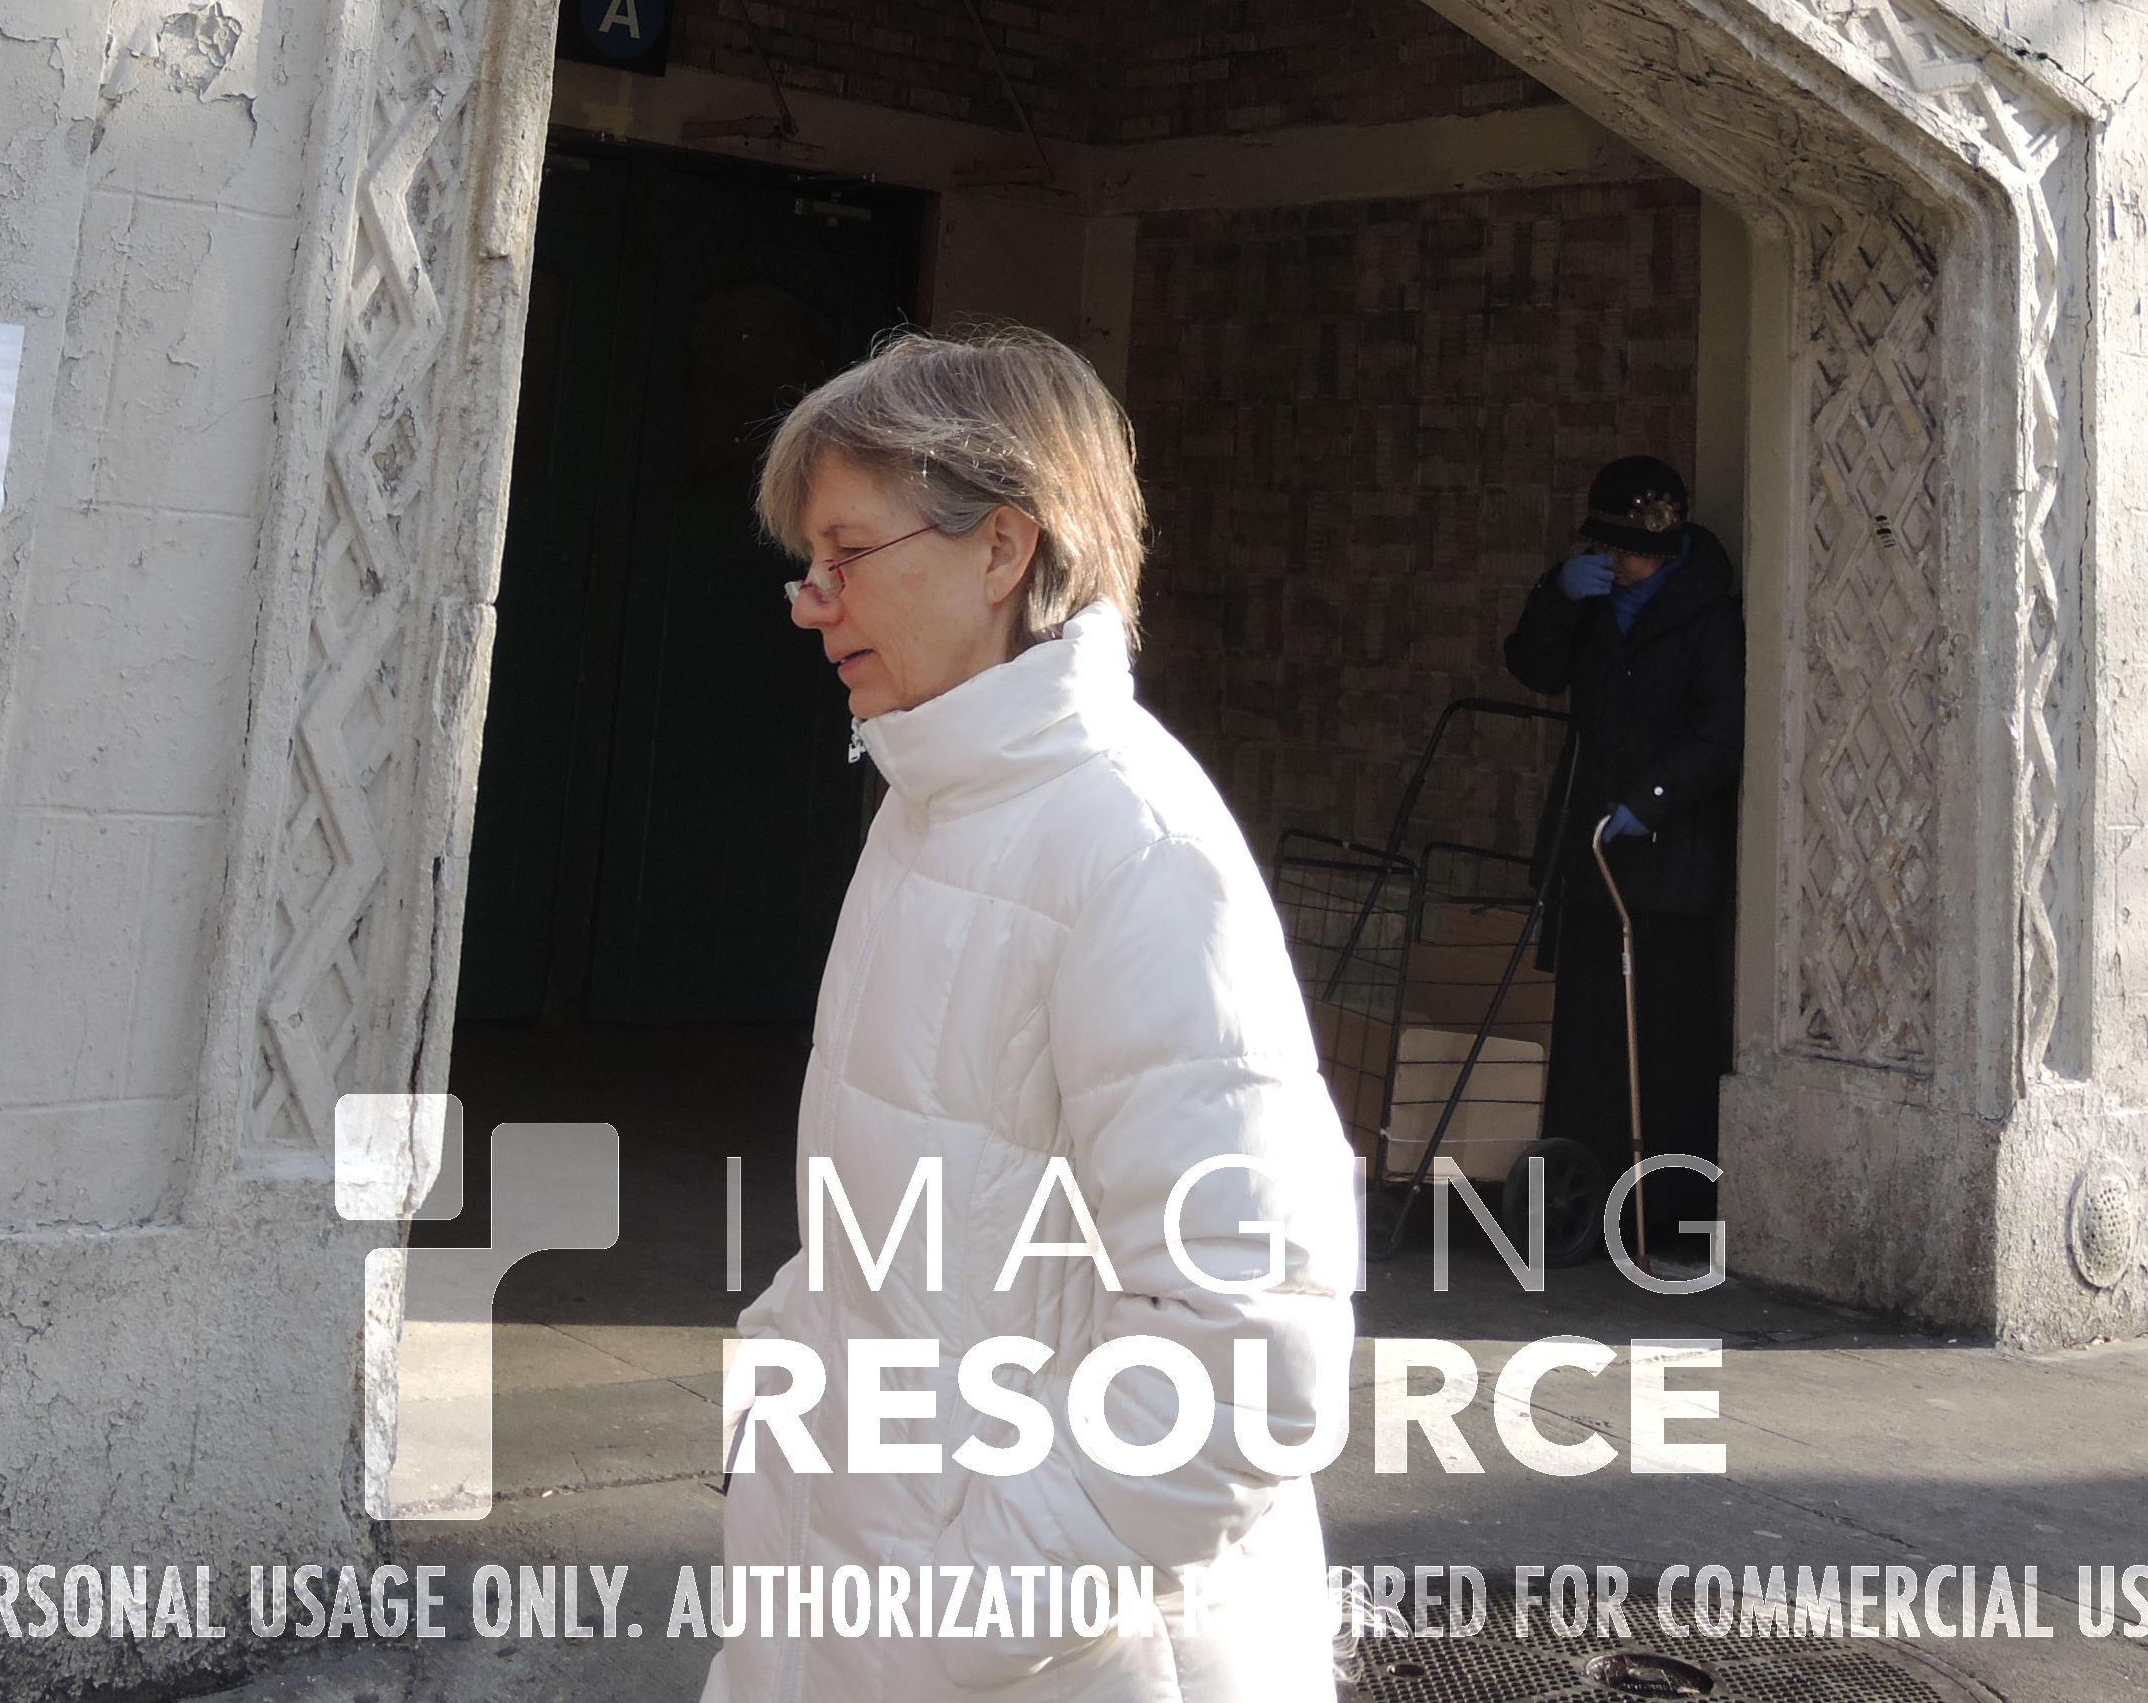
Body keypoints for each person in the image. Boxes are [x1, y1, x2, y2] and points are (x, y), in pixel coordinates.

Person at [710, 327, 1355, 1699]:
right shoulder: (930, 809)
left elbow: (1243, 1356)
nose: (811, 604)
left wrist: (958, 1619)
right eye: (808, 564)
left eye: (848, 555)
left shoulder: (1135, 851)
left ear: (1002, 547)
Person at [1502, 453, 1743, 1267]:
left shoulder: (1708, 612)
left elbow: (1720, 731)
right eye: (1605, 548)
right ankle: (1579, 1209)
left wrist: (1653, 800)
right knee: (1589, 1043)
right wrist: (1555, 596)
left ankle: (1664, 1215)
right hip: (1592, 853)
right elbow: (1534, 668)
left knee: (1663, 1045)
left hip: (1668, 865)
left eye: (1629, 550)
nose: (1616, 561)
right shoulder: (1593, 602)